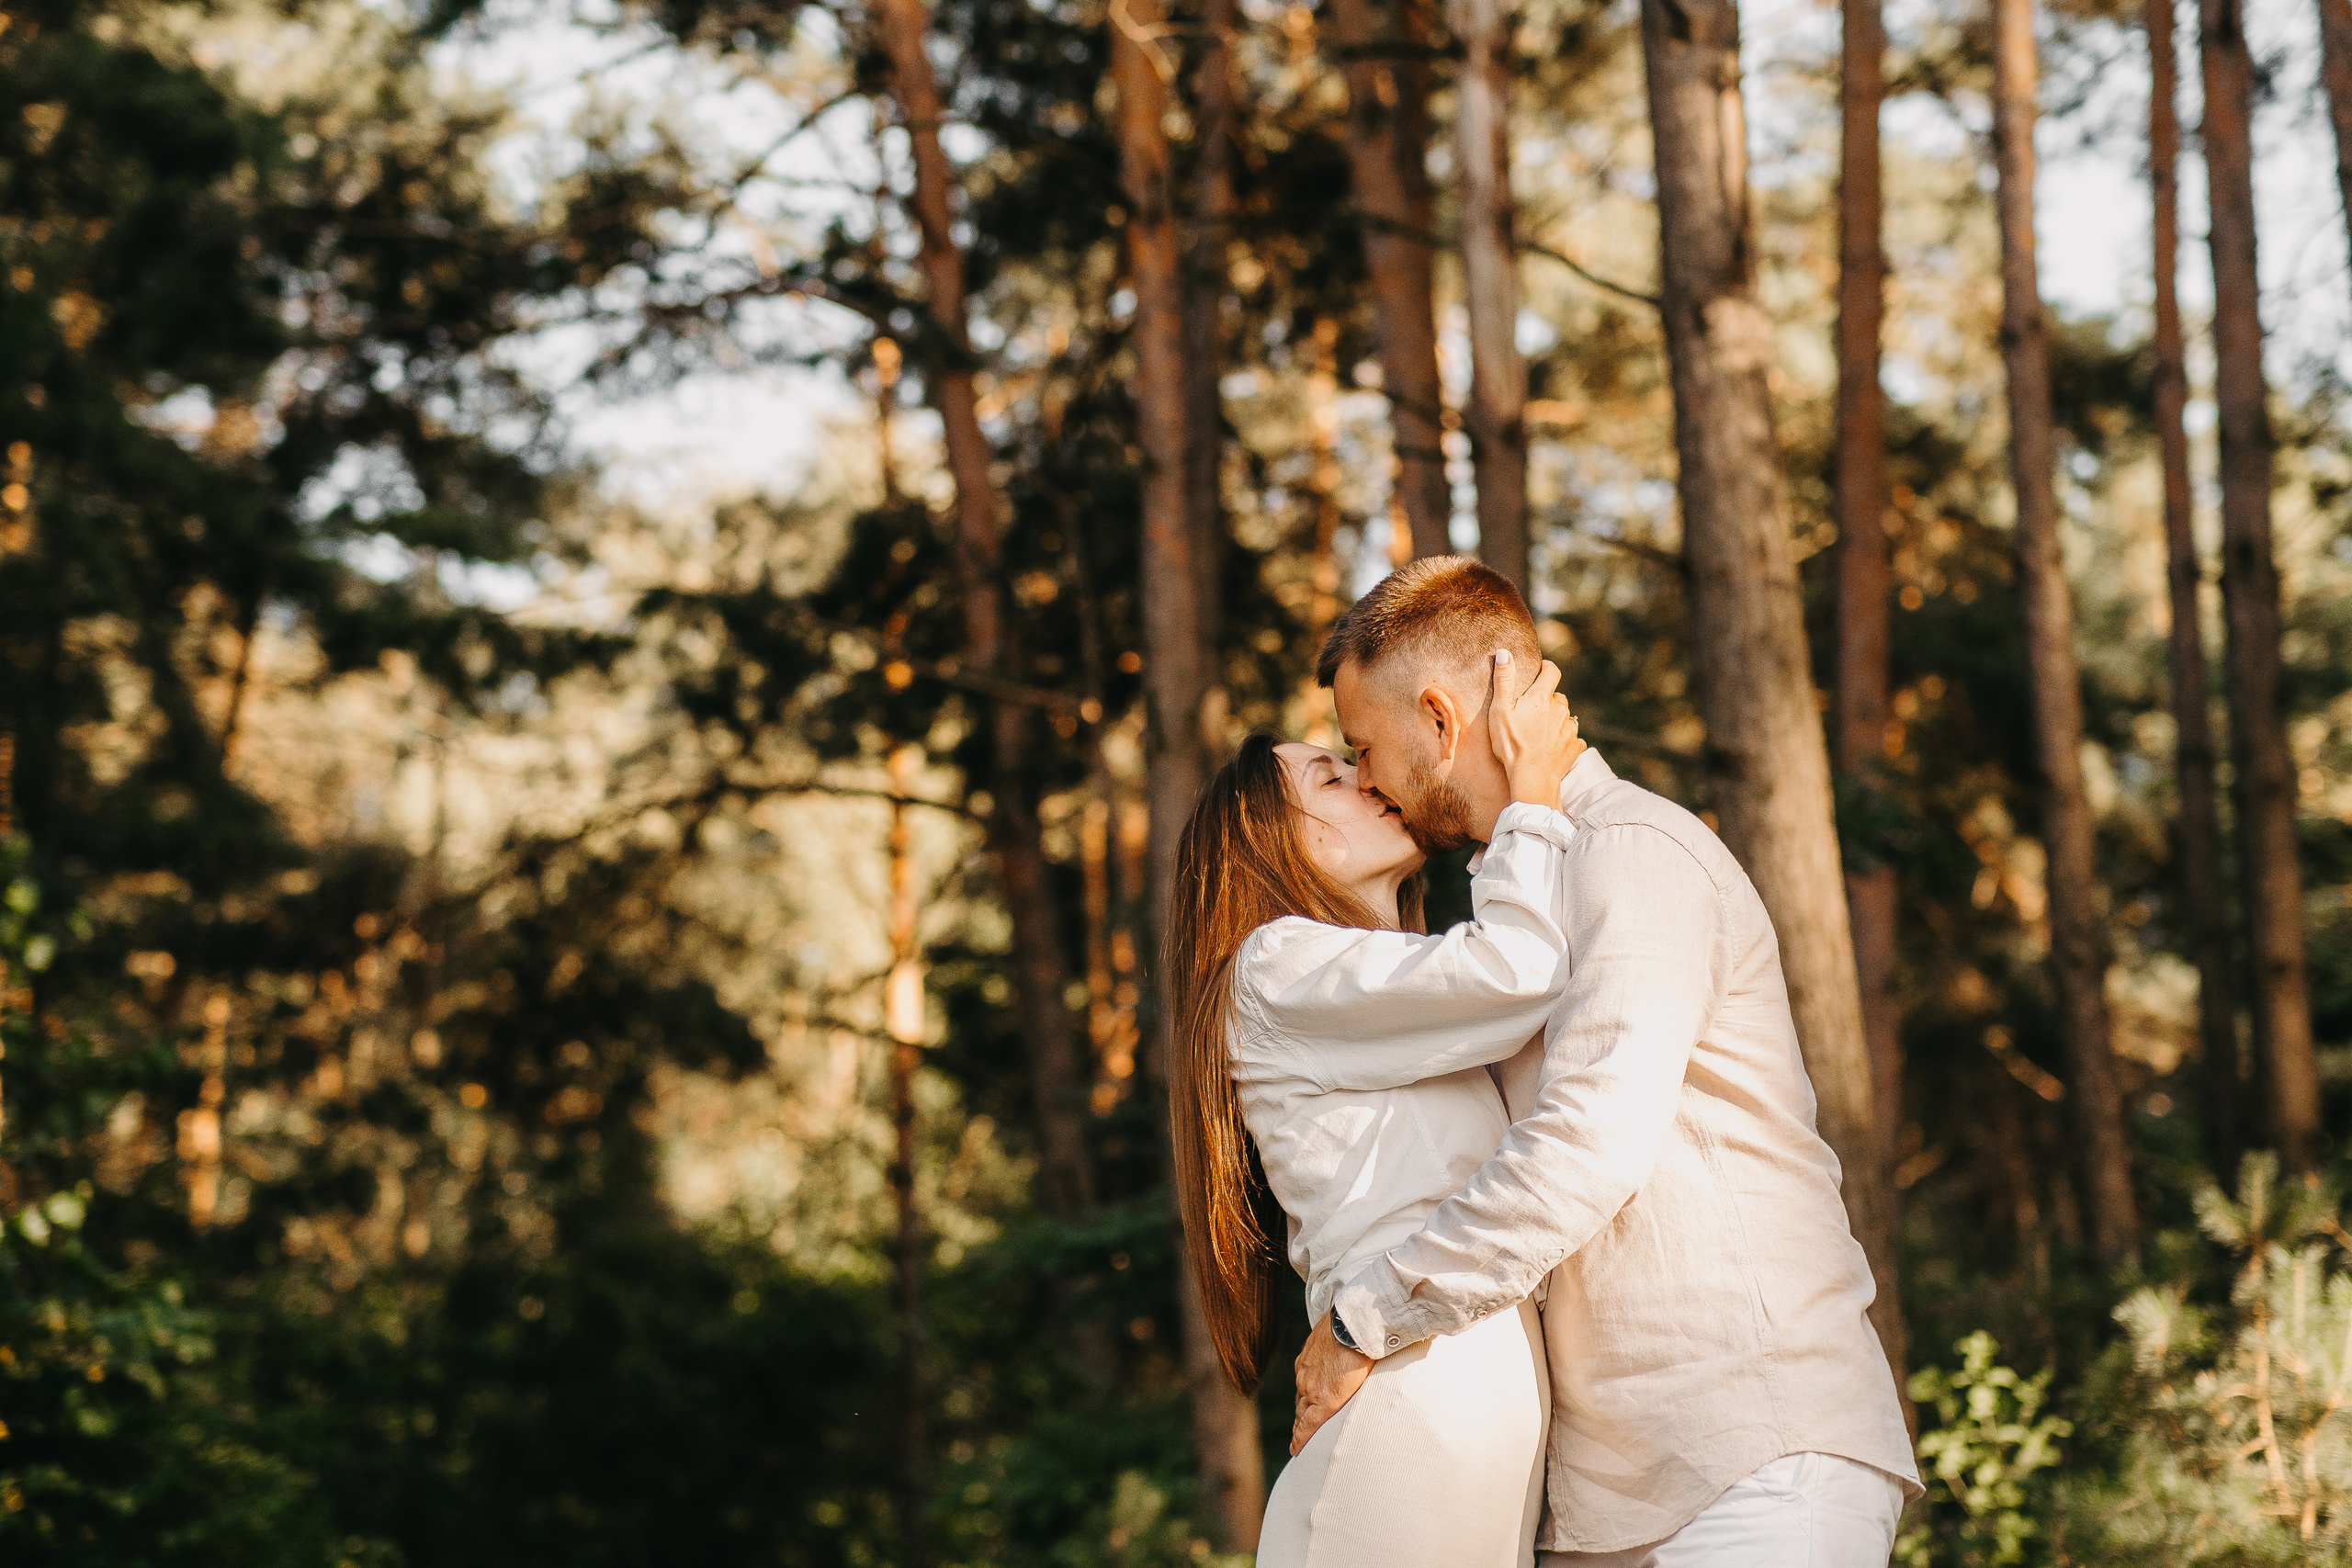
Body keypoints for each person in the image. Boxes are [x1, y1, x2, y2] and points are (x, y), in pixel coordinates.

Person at [1288, 555, 1923, 1567]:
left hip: (1749, 1461)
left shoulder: (1632, 854)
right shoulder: (1519, 902)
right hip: (1602, 1502)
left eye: (1364, 748)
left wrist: (1366, 1316)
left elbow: (1585, 1148)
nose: (1363, 778)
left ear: (1442, 722)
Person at [1164, 653, 1590, 1568]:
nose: (1368, 780)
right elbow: (1518, 969)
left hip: (1453, 1403)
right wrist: (1533, 799)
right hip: (1404, 1401)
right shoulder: (1273, 966)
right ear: (1283, 841)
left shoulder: (1375, 992)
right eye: (1330, 774)